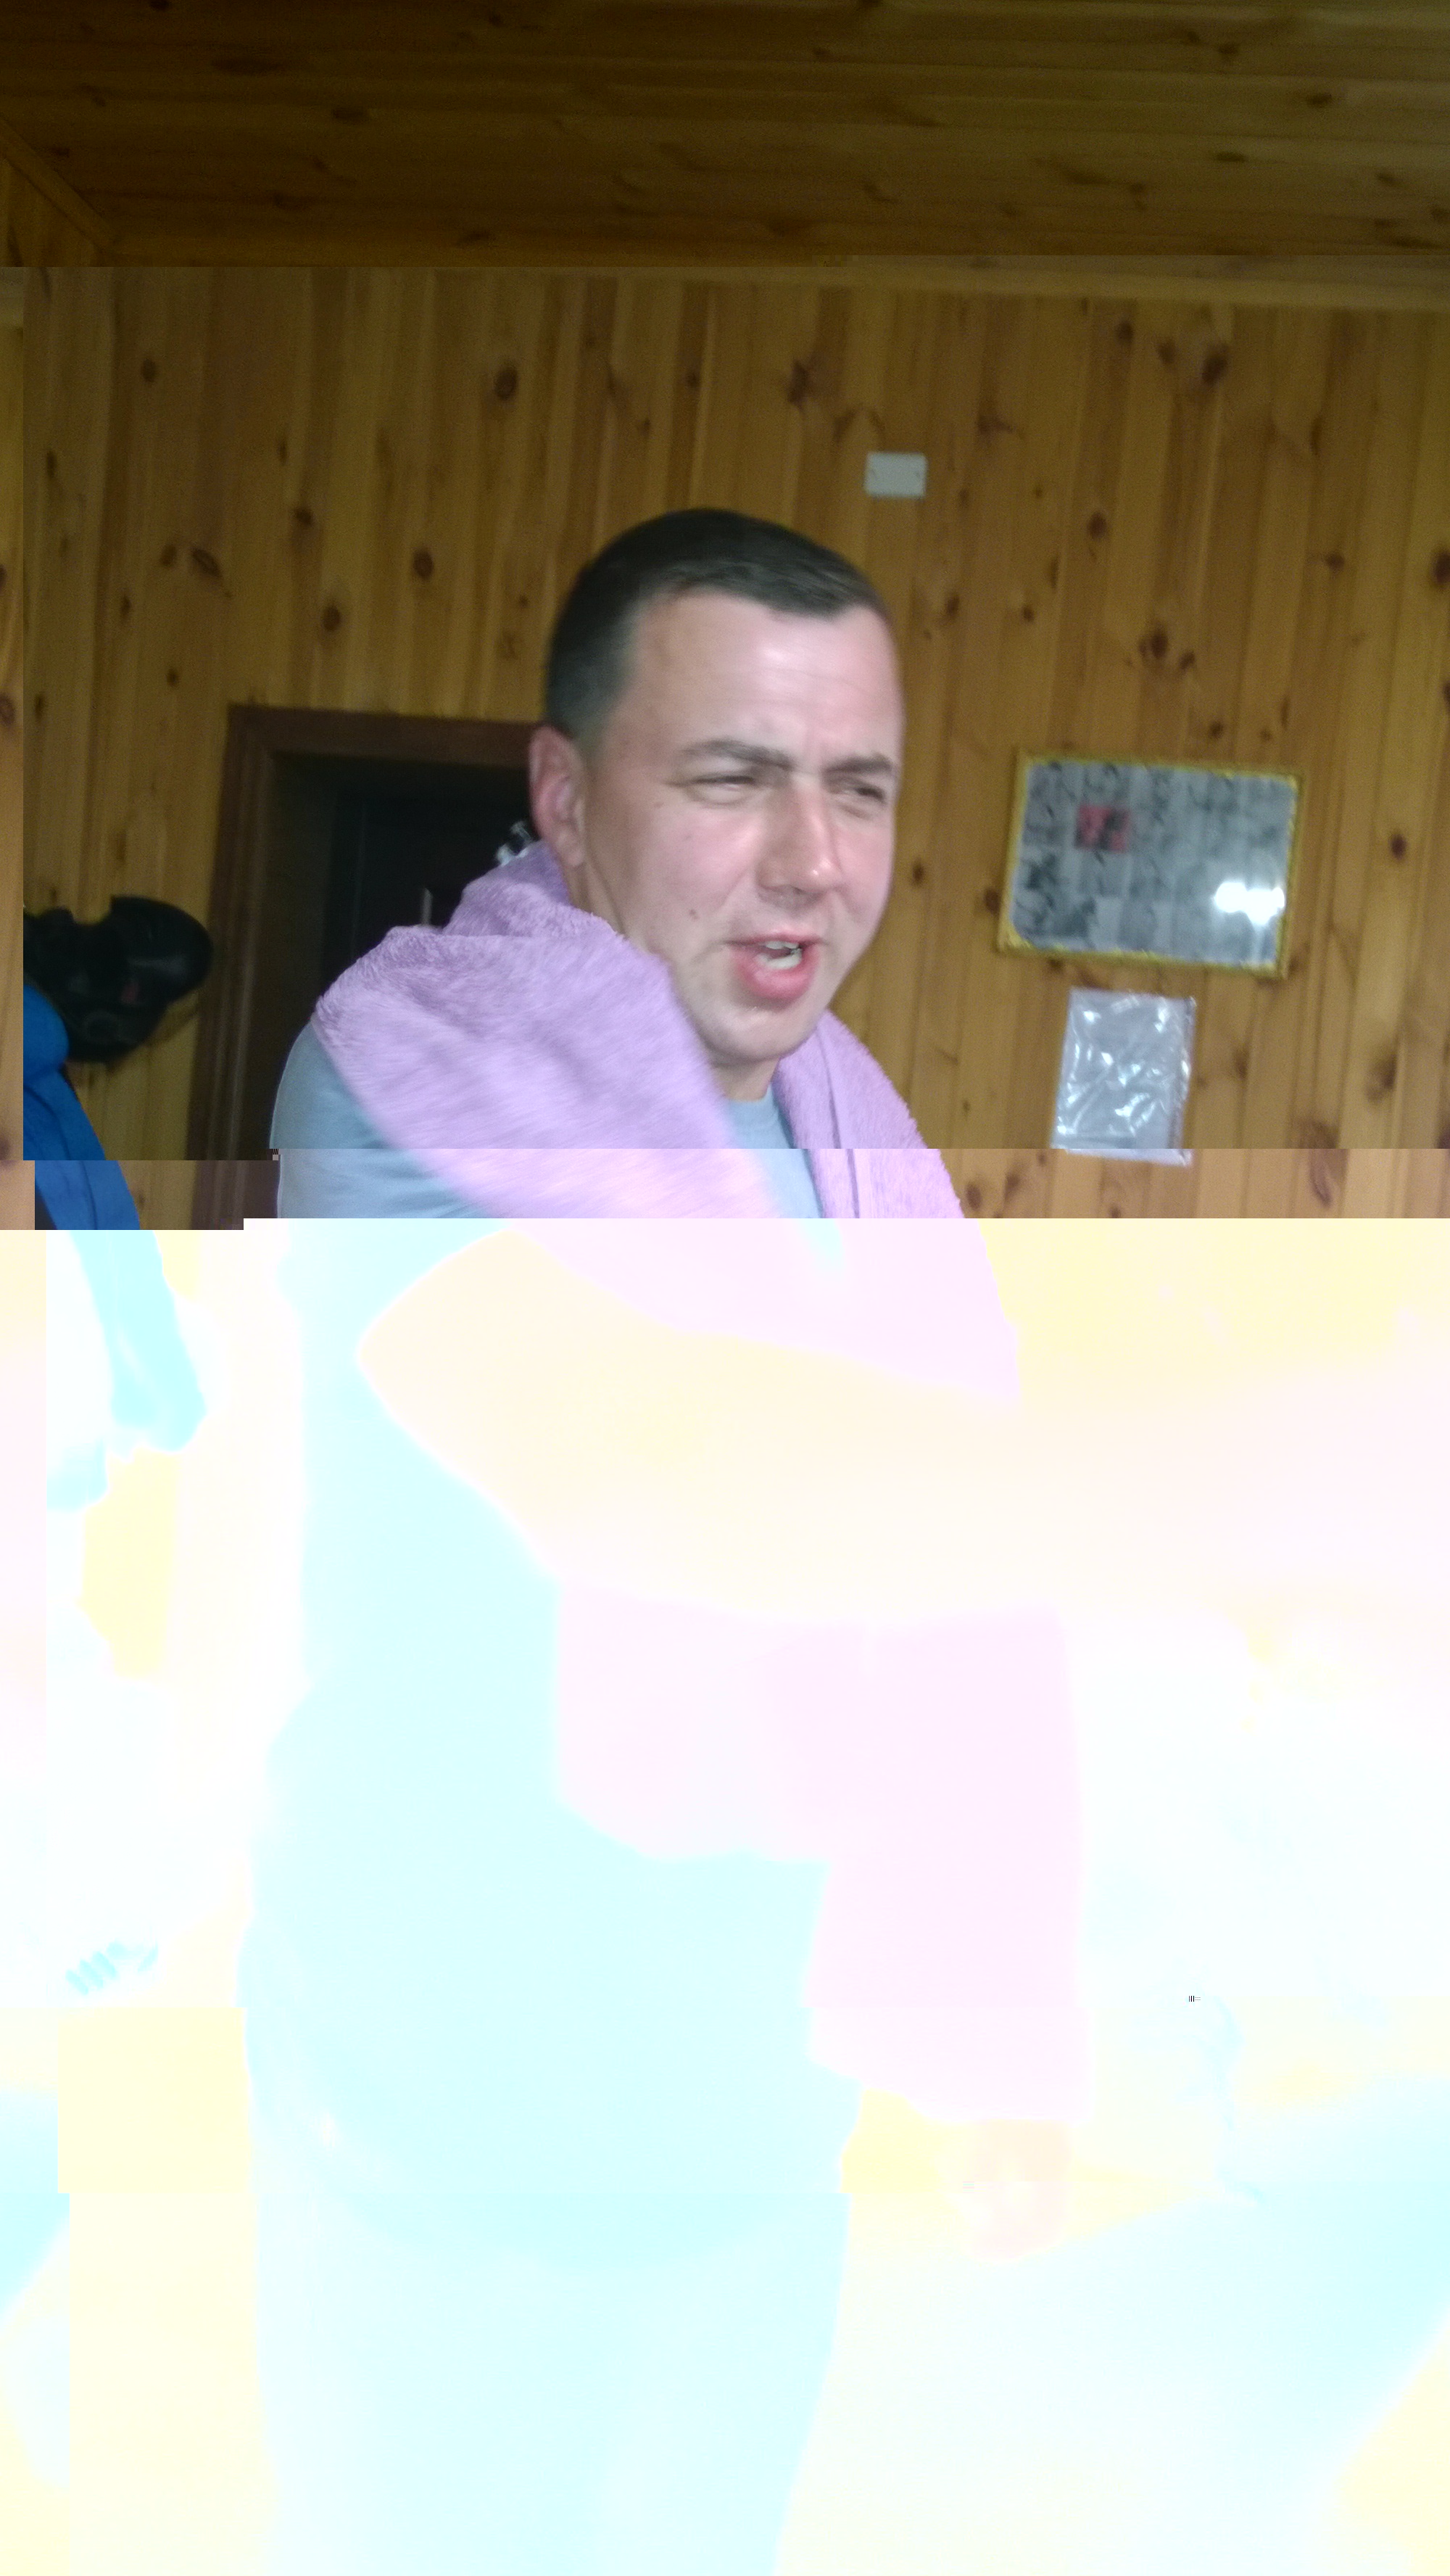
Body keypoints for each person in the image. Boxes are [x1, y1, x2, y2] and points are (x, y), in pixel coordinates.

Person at [270, 508, 957, 1220]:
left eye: (858, 791)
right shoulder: (409, 1075)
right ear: (566, 800)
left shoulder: (853, 1118)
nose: (813, 866)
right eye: (731, 779)